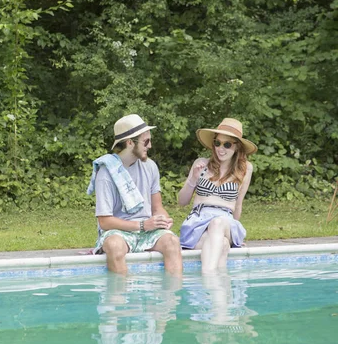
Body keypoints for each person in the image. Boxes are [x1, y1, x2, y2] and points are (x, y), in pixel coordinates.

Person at [87, 114, 182, 275]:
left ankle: (170, 297)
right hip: (119, 232)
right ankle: (122, 297)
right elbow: (104, 221)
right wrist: (142, 225)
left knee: (173, 242)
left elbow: (157, 207)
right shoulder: (106, 173)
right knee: (114, 246)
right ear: (130, 142)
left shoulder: (150, 166)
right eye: (146, 141)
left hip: (148, 230)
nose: (150, 146)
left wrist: (162, 219)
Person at [178, 118, 257, 272]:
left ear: (237, 147)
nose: (221, 148)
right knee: (222, 245)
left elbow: (238, 205)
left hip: (225, 221)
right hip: (197, 223)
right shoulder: (201, 164)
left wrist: (235, 235)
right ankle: (216, 291)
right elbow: (182, 201)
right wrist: (193, 179)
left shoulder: (246, 169)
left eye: (227, 144)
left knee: (217, 223)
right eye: (217, 143)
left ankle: (207, 278)